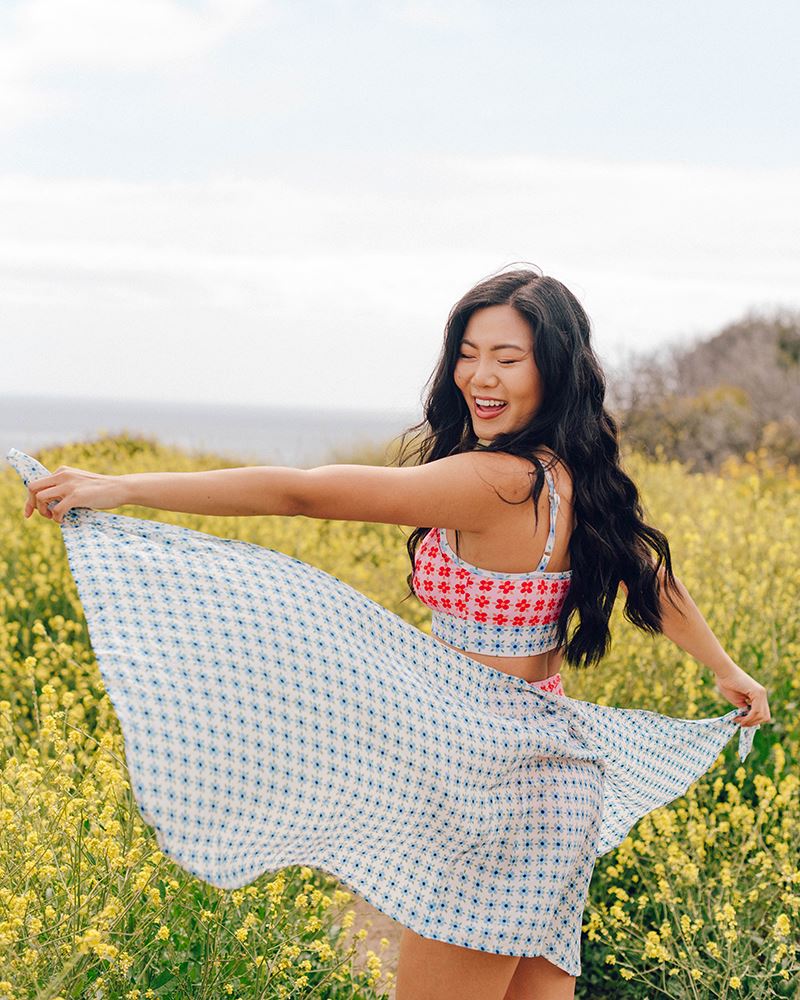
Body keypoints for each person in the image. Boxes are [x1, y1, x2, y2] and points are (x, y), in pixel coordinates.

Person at [12, 265, 770, 1000]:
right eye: (468, 355)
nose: (482, 376)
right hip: (556, 780)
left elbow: (303, 493)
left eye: (508, 357)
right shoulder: (571, 472)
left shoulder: (495, 480)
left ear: (555, 371)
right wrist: (725, 667)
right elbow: (649, 574)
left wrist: (125, 487)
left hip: (492, 791)